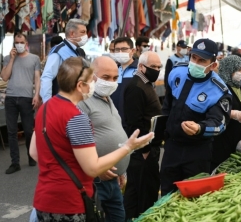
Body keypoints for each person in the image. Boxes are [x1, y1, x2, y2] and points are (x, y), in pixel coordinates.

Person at [29, 56, 154, 221]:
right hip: (70, 202)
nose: (94, 85)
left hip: (45, 199)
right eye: (91, 80)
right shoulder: (76, 117)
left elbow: (34, 153)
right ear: (80, 85)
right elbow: (93, 169)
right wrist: (128, 147)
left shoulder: (45, 108)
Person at [160, 38, 232, 196]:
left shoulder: (219, 91)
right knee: (166, 194)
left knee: (194, 197)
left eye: (202, 60)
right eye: (193, 57)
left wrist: (200, 128)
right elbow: (167, 108)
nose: (195, 63)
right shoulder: (176, 73)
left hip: (197, 152)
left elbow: (219, 124)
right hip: (172, 147)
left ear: (213, 65)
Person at [77, 56, 129, 222]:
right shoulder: (83, 101)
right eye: (106, 77)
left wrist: (121, 170)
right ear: (92, 76)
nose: (111, 82)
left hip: (113, 178)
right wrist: (98, 168)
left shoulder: (108, 99)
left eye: (115, 78)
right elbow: (76, 141)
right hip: (96, 180)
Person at [123, 51, 163, 219]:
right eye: (152, 66)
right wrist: (144, 150)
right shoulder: (136, 87)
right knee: (142, 194)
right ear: (141, 66)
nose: (156, 70)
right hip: (142, 152)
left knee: (142, 191)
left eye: (158, 67)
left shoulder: (146, 84)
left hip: (149, 148)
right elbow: (135, 123)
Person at [1, 33, 41, 174]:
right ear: (13, 43)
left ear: (26, 43)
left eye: (21, 42)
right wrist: (11, 59)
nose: (19, 44)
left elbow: (37, 78)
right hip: (11, 97)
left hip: (26, 98)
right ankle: (15, 162)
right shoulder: (7, 58)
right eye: (16, 42)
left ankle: (31, 157)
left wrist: (36, 95)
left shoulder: (34, 58)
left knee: (28, 130)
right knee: (11, 132)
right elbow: (5, 77)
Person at [40, 18, 88, 103]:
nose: (85, 35)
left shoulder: (80, 52)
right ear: (72, 33)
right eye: (82, 32)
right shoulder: (58, 51)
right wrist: (47, 103)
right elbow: (47, 77)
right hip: (62, 102)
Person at [110, 37, 138, 129]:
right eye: (117, 50)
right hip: (114, 123)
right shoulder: (112, 71)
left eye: (124, 49)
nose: (120, 52)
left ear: (132, 51)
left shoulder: (140, 70)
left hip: (134, 123)